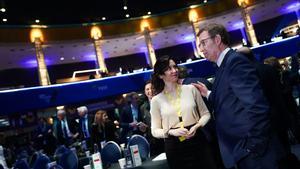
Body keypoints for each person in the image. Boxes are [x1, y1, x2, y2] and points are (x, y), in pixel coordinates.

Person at [193, 23, 284, 169]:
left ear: (217, 39)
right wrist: (209, 94)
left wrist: (254, 145)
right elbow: (231, 98)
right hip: (243, 150)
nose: (201, 49)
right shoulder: (224, 65)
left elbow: (256, 106)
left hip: (253, 152)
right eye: (200, 45)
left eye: (203, 43)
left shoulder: (234, 62)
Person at [150, 55, 217, 169]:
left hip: (197, 140)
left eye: (174, 67)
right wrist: (170, 132)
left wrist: (197, 126)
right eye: (168, 69)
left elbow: (206, 114)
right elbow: (155, 130)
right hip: (174, 146)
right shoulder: (156, 100)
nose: (174, 70)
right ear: (161, 75)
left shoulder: (190, 89)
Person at [139, 81, 164, 156]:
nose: (150, 91)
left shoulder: (163, 102)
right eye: (147, 89)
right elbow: (145, 124)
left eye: (152, 88)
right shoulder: (143, 108)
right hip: (152, 142)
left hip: (165, 139)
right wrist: (143, 128)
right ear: (144, 91)